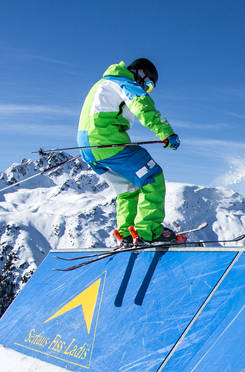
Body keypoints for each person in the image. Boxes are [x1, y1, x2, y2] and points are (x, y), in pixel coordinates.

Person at [76, 57, 183, 245]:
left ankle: (127, 232)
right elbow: (144, 108)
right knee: (153, 176)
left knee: (128, 189)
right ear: (140, 74)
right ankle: (148, 230)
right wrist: (166, 133)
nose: (146, 89)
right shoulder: (126, 82)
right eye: (148, 85)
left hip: (89, 148)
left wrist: (92, 144)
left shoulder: (103, 83)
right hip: (107, 143)